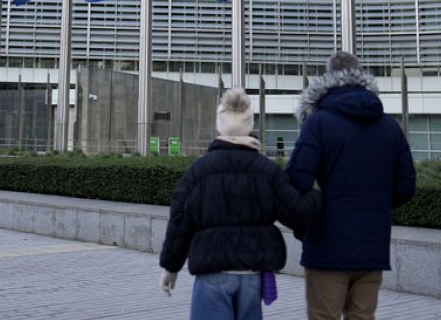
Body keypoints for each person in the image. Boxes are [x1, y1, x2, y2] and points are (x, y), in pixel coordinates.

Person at [159, 87, 322, 320]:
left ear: (219, 125)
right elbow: (298, 213)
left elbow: (180, 223)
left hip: (212, 272)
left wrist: (170, 268)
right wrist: (317, 192)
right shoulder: (267, 171)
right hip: (252, 275)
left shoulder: (199, 172)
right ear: (250, 124)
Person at [287, 51, 416, 320]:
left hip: (327, 245)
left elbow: (297, 178)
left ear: (327, 78)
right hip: (373, 245)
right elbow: (406, 187)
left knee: (324, 316)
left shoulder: (318, 123)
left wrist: (313, 212)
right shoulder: (390, 127)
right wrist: (375, 203)